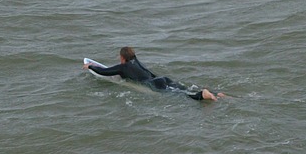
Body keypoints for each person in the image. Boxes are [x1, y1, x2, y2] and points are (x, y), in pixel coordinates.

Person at [84, 47, 225, 101]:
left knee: (181, 96)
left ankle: (203, 95)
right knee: (183, 89)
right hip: (161, 78)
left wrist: (90, 66)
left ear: (122, 57)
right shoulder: (135, 60)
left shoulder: (123, 67)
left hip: (153, 84)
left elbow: (104, 71)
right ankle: (217, 94)